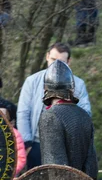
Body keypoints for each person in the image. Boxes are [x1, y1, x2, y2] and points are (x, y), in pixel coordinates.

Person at [17, 42, 91, 171]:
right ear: (47, 56)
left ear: (69, 61)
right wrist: (27, 143)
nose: (56, 65)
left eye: (62, 61)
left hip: (69, 145)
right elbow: (23, 112)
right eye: (53, 59)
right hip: (36, 144)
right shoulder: (32, 81)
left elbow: (85, 113)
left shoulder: (78, 84)